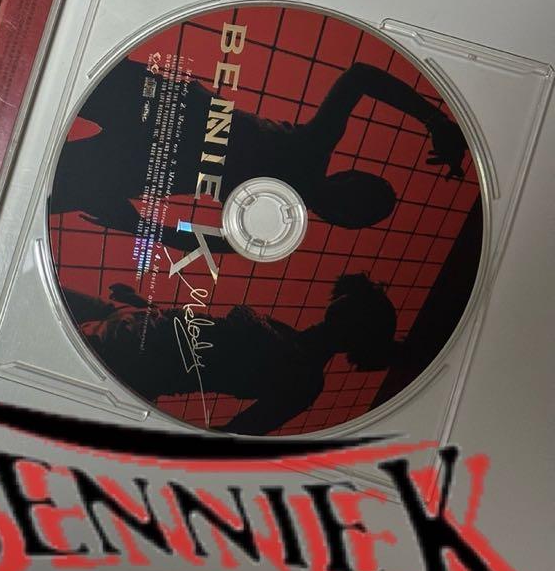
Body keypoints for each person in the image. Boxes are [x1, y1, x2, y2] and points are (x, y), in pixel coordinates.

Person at [50, 58, 469, 251]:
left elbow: (219, 244)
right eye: (356, 202)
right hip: (157, 134)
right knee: (55, 69)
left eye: (355, 208)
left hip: (160, 129)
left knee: (54, 75)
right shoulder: (308, 159)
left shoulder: (288, 198)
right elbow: (360, 75)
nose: (345, 207)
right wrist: (435, 120)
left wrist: (434, 120)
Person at [64, 274, 398, 435]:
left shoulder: (307, 379)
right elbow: (207, 331)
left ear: (358, 335)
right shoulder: (290, 338)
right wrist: (144, 303)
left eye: (359, 310)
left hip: (133, 357)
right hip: (131, 321)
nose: (347, 304)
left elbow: (243, 431)